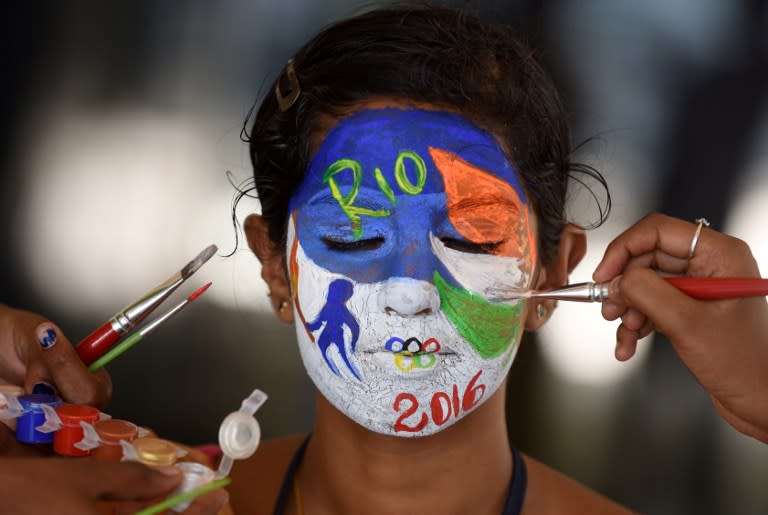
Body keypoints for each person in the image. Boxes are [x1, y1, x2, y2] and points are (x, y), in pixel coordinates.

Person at [1, 5, 766, 515]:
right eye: (356, 237)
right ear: (275, 264)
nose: (408, 293)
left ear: (551, 276)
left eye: (470, 236)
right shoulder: (164, 501)